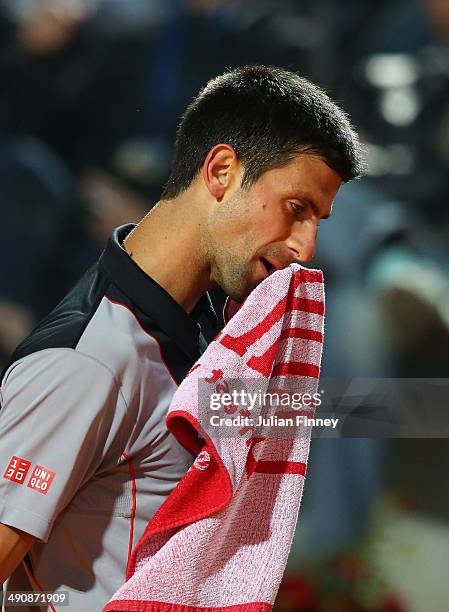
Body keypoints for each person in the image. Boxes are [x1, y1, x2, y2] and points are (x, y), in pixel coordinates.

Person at [0, 65, 363, 610]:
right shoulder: (90, 363)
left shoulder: (209, 329)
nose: (305, 248)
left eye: (318, 220)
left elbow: (346, 411)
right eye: (296, 209)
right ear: (220, 170)